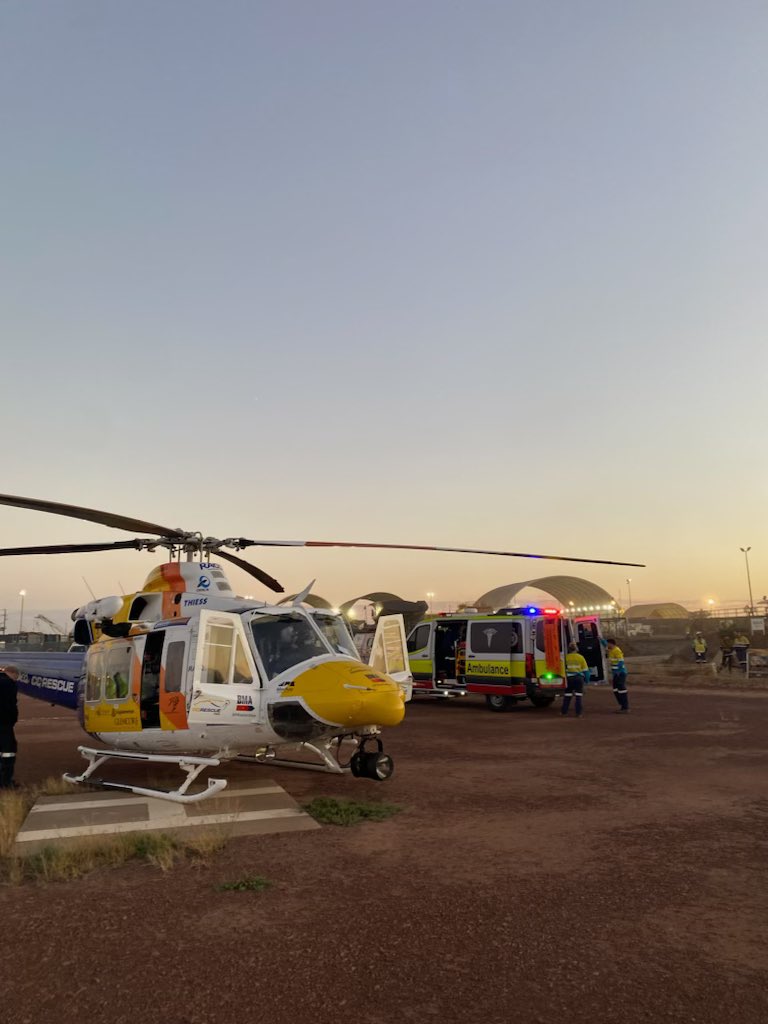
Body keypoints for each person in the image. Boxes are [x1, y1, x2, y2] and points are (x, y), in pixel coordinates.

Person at [0, 665, 20, 789]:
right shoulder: (9, 684)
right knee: (9, 751)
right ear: (12, 673)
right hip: (4, 723)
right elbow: (11, 705)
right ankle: (6, 782)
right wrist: (13, 719)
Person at [562, 642, 589, 717]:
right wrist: (586, 680)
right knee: (578, 696)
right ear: (576, 649)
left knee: (567, 696)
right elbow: (586, 670)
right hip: (578, 678)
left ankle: (564, 712)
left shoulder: (566, 657)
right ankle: (578, 713)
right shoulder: (580, 657)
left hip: (569, 678)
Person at [606, 639, 629, 713]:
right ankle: (622, 704)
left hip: (620, 673)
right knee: (615, 689)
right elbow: (604, 644)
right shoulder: (611, 650)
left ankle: (625, 707)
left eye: (608, 644)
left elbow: (621, 661)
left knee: (621, 688)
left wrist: (618, 671)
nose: (607, 645)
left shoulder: (616, 650)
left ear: (611, 644)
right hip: (616, 673)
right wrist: (600, 639)